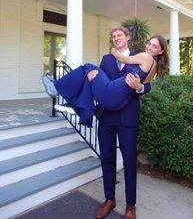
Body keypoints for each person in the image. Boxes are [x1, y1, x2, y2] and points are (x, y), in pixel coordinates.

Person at [42, 27, 168, 218]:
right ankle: (109, 199)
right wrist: (93, 78)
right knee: (107, 159)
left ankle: (130, 205)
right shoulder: (106, 60)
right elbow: (100, 84)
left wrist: (140, 87)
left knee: (129, 161)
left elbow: (148, 85)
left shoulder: (140, 56)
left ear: (128, 37)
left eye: (120, 35)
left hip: (127, 117)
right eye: (113, 36)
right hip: (107, 115)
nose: (116, 38)